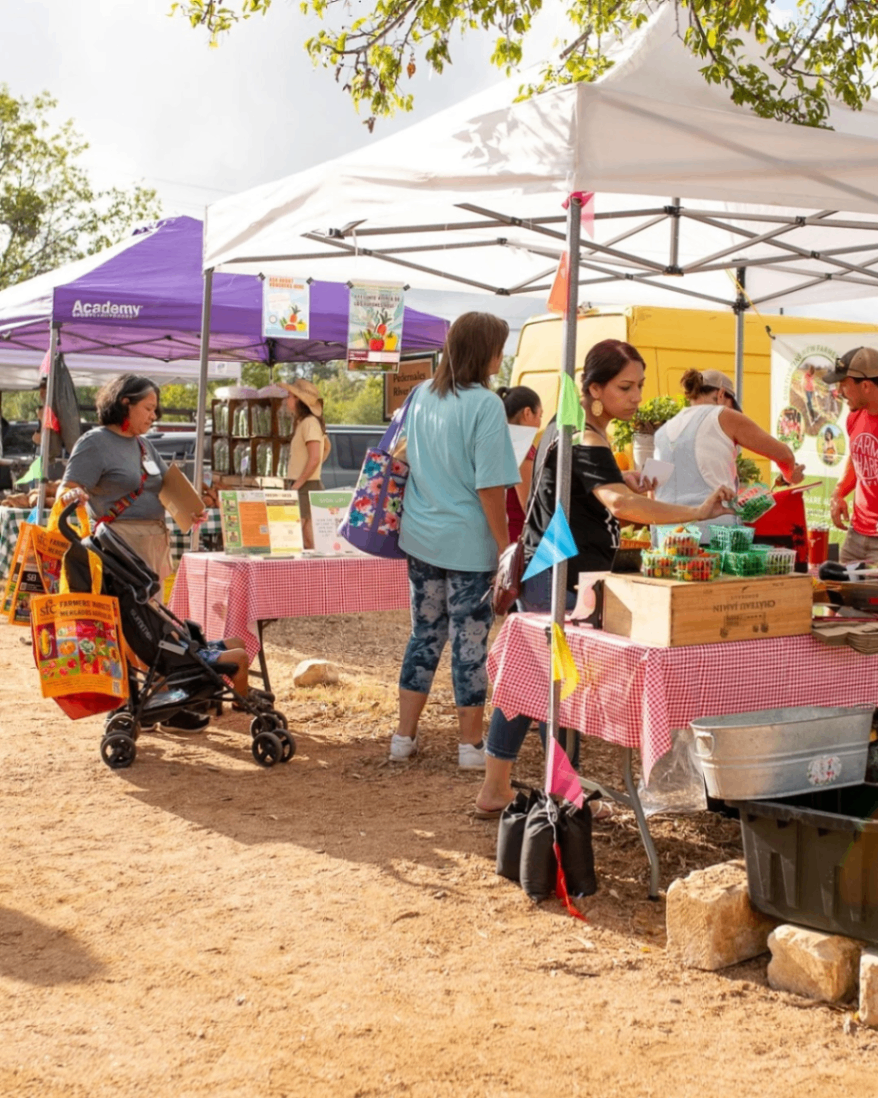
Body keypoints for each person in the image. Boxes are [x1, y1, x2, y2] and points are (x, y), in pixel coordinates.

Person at [475, 339, 735, 818]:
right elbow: (622, 506)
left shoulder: (568, 426)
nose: (636, 396)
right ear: (594, 388)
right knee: (552, 683)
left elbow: (597, 494)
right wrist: (696, 510)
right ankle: (554, 794)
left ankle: (517, 786)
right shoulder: (586, 437)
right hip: (560, 572)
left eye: (639, 385)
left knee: (535, 680)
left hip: (551, 564)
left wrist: (625, 478)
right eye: (625, 386)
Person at [58, 374, 245, 732]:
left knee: (154, 625)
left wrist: (188, 508)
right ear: (124, 403)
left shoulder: (143, 445)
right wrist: (72, 495)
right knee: (132, 627)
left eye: (155, 409)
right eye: (148, 408)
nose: (153, 416)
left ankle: (164, 704)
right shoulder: (95, 442)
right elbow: (70, 487)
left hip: (154, 542)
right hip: (120, 547)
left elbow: (163, 485)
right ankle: (133, 704)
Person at [389, 312, 520, 769]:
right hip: (468, 544)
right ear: (485, 352)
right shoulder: (485, 404)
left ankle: (403, 738)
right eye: (500, 348)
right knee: (470, 642)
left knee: (424, 634)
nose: (502, 356)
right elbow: (491, 488)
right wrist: (506, 548)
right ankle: (469, 747)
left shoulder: (421, 393)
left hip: (420, 536)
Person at [653, 368, 804, 543]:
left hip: (665, 540)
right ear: (722, 394)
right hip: (713, 538)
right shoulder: (722, 415)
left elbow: (651, 488)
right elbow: (783, 454)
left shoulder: (663, 431)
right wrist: (789, 474)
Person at [825, 347, 878, 563]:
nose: (838, 392)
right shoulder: (854, 417)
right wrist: (839, 492)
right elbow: (858, 458)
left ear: (865, 385)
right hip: (856, 536)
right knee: (841, 593)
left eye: (844, 385)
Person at [281, 379, 328, 550]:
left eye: (290, 396)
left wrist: (299, 483)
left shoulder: (309, 423)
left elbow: (315, 457)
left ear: (299, 400)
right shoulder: (306, 423)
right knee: (308, 540)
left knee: (290, 536)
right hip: (305, 483)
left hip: (304, 485)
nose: (287, 400)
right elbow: (325, 449)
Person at [497, 385, 543, 543]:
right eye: (539, 416)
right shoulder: (521, 448)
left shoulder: (500, 440)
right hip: (518, 538)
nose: (540, 423)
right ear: (527, 413)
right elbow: (529, 506)